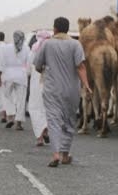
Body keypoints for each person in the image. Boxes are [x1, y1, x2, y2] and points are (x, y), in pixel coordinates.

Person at [34, 17, 92, 167]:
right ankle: (65, 154)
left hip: (52, 89)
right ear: (67, 29)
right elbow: (81, 67)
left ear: (55, 29)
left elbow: (37, 65)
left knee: (53, 121)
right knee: (69, 121)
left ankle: (55, 154)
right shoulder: (75, 44)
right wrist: (87, 85)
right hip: (71, 90)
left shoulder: (47, 44)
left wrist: (43, 69)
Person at [0, 30, 30, 130]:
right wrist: (28, 74)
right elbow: (28, 64)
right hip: (21, 75)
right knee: (21, 100)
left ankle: (10, 117)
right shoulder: (26, 48)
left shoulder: (7, 48)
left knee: (7, 97)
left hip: (8, 75)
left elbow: (2, 63)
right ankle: (19, 123)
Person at [27, 30, 52, 146]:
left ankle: (39, 136)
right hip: (50, 79)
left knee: (34, 107)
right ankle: (46, 129)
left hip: (36, 79)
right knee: (47, 106)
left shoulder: (34, 48)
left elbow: (29, 66)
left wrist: (28, 74)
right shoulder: (52, 49)